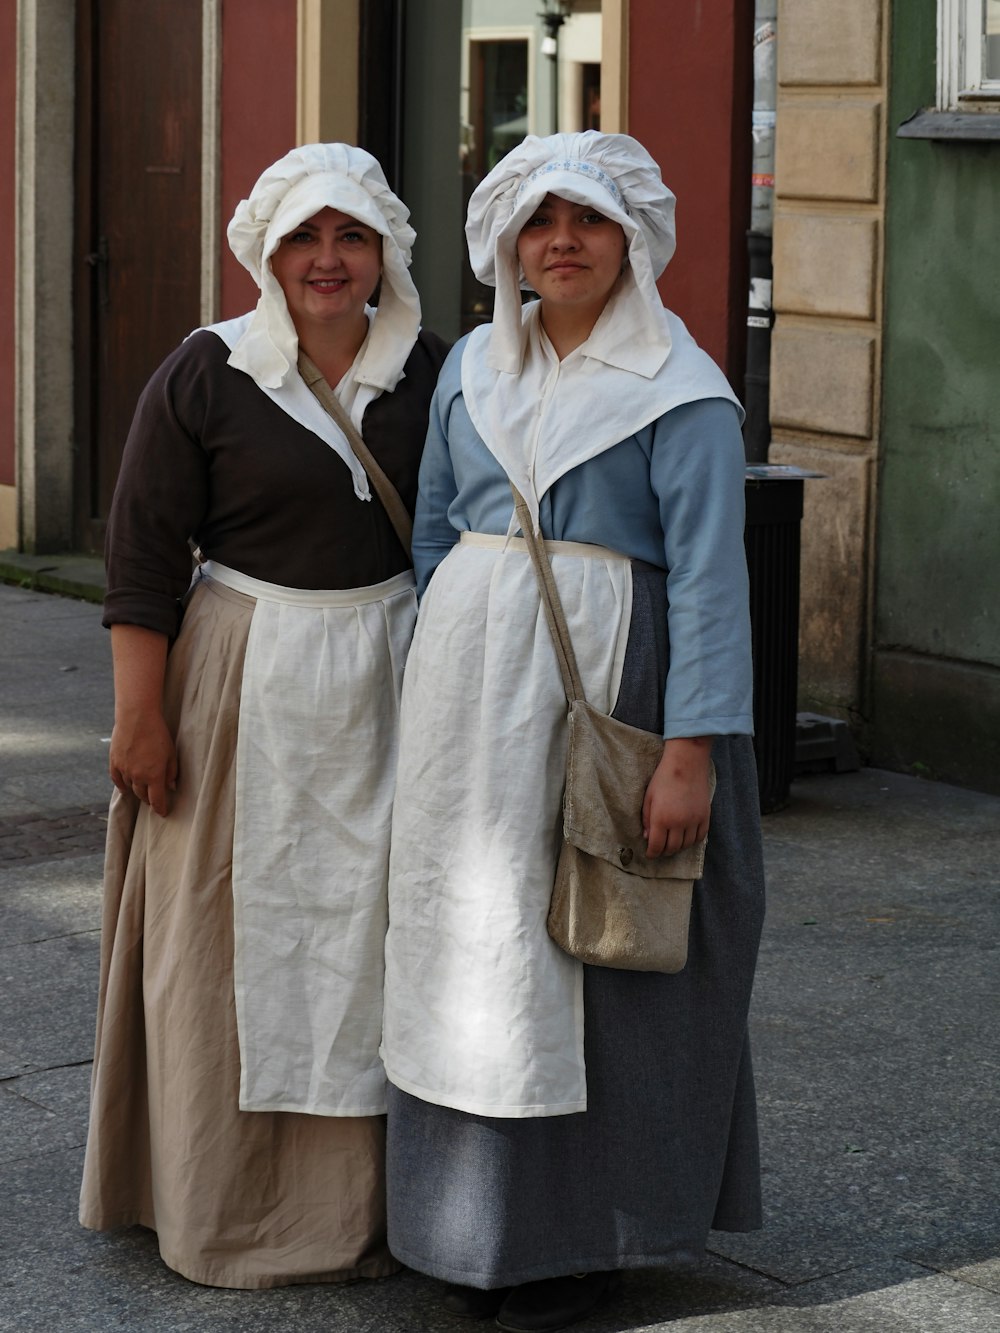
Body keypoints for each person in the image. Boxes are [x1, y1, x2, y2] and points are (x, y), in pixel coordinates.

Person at [381, 131, 766, 1332]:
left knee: (600, 952)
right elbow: (437, 531)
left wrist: (687, 747)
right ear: (505, 240)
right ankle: (467, 1229)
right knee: (475, 944)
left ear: (629, 237)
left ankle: (583, 1242)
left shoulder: (682, 391)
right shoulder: (468, 375)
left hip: (618, 688)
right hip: (471, 707)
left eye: (587, 220)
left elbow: (709, 577)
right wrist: (454, 642)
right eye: (540, 221)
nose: (562, 241)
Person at [79, 143, 448, 1289]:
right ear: (265, 252)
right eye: (304, 238)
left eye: (349, 237)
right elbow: (141, 557)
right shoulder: (207, 373)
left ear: (384, 247)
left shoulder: (439, 371)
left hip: (393, 671)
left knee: (376, 944)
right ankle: (223, 1204)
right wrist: (141, 719)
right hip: (239, 676)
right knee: (222, 943)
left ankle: (377, 1213)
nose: (327, 260)